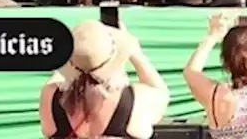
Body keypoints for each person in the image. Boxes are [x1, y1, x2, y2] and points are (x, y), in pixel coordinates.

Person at [40, 19, 169, 139]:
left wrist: (72, 61)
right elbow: (161, 94)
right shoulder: (135, 101)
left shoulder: (50, 97)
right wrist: (135, 52)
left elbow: (63, 74)